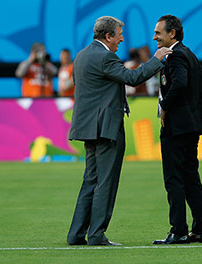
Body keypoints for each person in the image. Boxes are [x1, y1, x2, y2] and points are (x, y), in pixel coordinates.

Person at [67, 16, 170, 246]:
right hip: (106, 128)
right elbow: (132, 78)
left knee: (90, 181)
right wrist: (156, 59)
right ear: (108, 36)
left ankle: (76, 234)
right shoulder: (106, 57)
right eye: (119, 35)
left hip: (87, 127)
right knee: (106, 182)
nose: (122, 39)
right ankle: (96, 235)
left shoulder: (81, 55)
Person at [152, 15, 202, 246]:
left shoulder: (174, 55)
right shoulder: (189, 53)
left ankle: (178, 231)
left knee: (174, 178)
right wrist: (190, 106)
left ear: (172, 34)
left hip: (176, 127)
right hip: (191, 125)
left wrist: (165, 108)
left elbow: (179, 83)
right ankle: (199, 231)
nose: (154, 37)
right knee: (191, 177)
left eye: (158, 33)